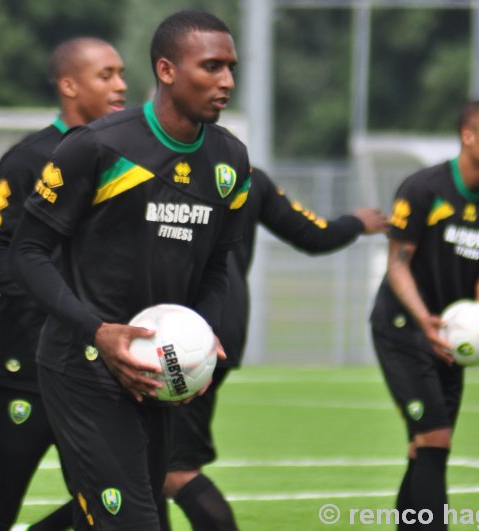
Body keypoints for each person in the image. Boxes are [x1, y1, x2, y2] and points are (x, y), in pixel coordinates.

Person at [9, 10, 249, 530]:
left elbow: (215, 268)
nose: (227, 81)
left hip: (158, 373)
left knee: (116, 509)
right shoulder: (98, 146)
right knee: (135, 521)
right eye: (211, 66)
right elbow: (26, 252)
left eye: (231, 67)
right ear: (166, 70)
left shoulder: (231, 162)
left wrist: (201, 335)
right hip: (83, 365)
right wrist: (97, 329)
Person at [0, 37, 128, 531]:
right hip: (21, 368)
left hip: (98, 369)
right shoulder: (28, 159)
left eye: (121, 73)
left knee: (115, 504)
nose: (121, 85)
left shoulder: (131, 158)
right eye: (106, 75)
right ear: (69, 85)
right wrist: (68, 304)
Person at [163, 167, 389, 530]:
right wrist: (355, 222)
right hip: (220, 327)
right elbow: (314, 234)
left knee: (173, 471)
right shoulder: (244, 173)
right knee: (141, 468)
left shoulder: (152, 164)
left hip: (176, 337)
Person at [369, 100, 479, 530]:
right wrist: (424, 320)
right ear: (468, 136)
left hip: (451, 336)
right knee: (434, 438)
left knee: (426, 448)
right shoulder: (423, 189)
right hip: (402, 328)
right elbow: (397, 264)